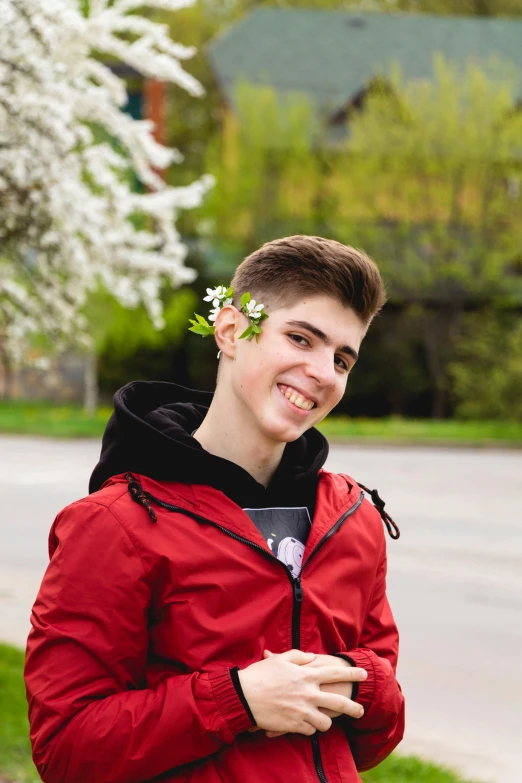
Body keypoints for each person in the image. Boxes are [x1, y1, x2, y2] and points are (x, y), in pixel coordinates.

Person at [25, 235, 405, 783]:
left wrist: (359, 680)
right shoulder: (115, 524)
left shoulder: (352, 519)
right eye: (301, 337)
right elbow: (67, 751)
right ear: (230, 330)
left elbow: (374, 738)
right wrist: (239, 701)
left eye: (342, 358)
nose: (323, 372)